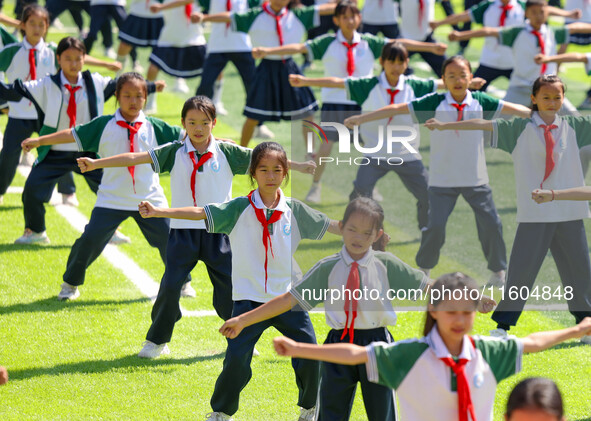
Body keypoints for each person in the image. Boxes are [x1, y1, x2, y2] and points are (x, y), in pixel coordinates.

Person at [76, 96, 316, 358]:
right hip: (182, 233)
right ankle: (156, 341)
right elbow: (136, 157)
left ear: (214, 123)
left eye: (204, 122)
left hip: (220, 234)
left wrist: (300, 166)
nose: (198, 128)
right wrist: (97, 163)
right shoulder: (174, 151)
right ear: (183, 123)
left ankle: (240, 337)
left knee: (230, 290)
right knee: (170, 286)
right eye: (192, 122)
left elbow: (267, 160)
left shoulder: (227, 152)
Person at [138, 141, 341, 421]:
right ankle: (222, 412)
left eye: (277, 170)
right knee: (235, 361)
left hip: (288, 300)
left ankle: (309, 407)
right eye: (263, 169)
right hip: (247, 301)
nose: (270, 176)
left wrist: (367, 230)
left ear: (285, 174)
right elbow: (200, 212)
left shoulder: (296, 210)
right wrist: (160, 212)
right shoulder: (238, 208)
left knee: (310, 356)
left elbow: (333, 226)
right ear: (253, 173)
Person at [217, 197, 433, 421]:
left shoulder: (387, 265)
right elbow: (287, 301)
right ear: (341, 227)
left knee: (383, 414)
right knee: (330, 413)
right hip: (336, 345)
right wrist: (243, 320)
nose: (358, 238)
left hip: (377, 345)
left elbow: (431, 287)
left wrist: (470, 299)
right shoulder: (327, 269)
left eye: (366, 233)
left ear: (377, 235)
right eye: (352, 229)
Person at [272, 273, 591, 421]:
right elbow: (355, 353)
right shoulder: (411, 356)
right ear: (434, 311)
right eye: (451, 311)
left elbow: (531, 343)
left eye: (467, 312)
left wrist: (577, 329)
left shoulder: (486, 353)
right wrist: (300, 349)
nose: (460, 320)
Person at [424, 74, 591, 341]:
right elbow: (484, 124)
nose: (552, 102)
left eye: (557, 97)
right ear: (533, 99)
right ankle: (502, 326)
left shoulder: (576, 126)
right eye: (545, 97)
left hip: (570, 214)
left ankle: (586, 325)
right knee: (521, 274)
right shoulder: (518, 129)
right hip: (534, 215)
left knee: (580, 272)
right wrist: (445, 126)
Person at [344, 55, 532, 285]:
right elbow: (396, 107)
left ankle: (498, 272)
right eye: (451, 76)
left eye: (462, 75)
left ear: (470, 78)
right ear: (443, 79)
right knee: (434, 227)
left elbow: (516, 110)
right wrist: (362, 118)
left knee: (492, 224)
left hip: (476, 179)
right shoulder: (434, 103)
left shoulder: (481, 101)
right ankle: (424, 270)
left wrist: (539, 113)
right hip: (442, 181)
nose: (457, 80)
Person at [252, 1, 447, 204]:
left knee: (372, 146)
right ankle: (315, 186)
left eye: (353, 16)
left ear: (359, 18)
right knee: (326, 146)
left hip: (364, 104)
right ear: (336, 20)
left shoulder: (368, 42)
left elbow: (400, 44)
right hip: (335, 102)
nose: (349, 21)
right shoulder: (327, 42)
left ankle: (371, 186)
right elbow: (300, 47)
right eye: (344, 17)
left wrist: (430, 47)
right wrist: (267, 52)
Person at [21, 72, 193, 301]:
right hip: (111, 198)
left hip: (150, 198)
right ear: (117, 96)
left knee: (171, 238)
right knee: (89, 241)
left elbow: (191, 136)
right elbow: (72, 134)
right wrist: (40, 141)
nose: (133, 101)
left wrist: (219, 143)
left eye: (139, 96)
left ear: (145, 98)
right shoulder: (103, 125)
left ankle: (183, 282)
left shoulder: (155, 127)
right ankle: (70, 284)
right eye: (127, 95)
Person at [0, 37, 161, 245]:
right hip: (55, 151)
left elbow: (124, 87)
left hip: (90, 153)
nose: (73, 64)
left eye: (78, 58)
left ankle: (111, 231)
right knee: (32, 189)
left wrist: (153, 86)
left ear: (85, 59)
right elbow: (14, 91)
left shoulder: (95, 82)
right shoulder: (47, 84)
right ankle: (36, 230)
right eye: (68, 59)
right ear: (58, 59)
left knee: (111, 187)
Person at [289, 42, 459, 227]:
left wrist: (467, 83)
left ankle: (426, 227)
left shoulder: (415, 86)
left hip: (407, 154)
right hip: (375, 154)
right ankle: (355, 229)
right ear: (382, 62)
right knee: (359, 194)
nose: (396, 66)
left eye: (400, 62)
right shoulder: (368, 85)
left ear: (406, 63)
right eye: (391, 61)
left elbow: (444, 84)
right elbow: (337, 82)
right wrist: (306, 81)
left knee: (427, 194)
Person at [191, 0, 336, 148]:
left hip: (289, 68)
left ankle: (310, 151)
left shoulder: (299, 14)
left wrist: (346, 6)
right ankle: (243, 152)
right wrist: (205, 18)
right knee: (253, 114)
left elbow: (324, 9)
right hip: (266, 68)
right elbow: (230, 16)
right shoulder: (256, 15)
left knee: (307, 112)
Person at [447, 0, 591, 113]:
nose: (538, 16)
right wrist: (461, 35)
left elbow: (576, 27)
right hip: (521, 86)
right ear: (526, 13)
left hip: (549, 87)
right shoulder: (516, 32)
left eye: (542, 12)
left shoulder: (552, 32)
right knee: (498, 121)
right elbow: (489, 31)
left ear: (547, 14)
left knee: (574, 119)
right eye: (534, 13)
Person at [430, 0, 580, 92]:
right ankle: (466, 122)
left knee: (535, 93)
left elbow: (544, 9)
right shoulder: (487, 6)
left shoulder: (522, 6)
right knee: (472, 91)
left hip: (514, 63)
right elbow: (464, 16)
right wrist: (440, 24)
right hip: (490, 60)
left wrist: (567, 14)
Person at [145, 0, 207, 111]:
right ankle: (150, 102)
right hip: (168, 38)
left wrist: (162, 7)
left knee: (216, 72)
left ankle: (215, 102)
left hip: (194, 39)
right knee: (152, 69)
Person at [115, 0, 164, 73]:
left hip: (158, 15)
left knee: (159, 53)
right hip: (137, 12)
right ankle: (118, 78)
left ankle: (178, 80)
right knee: (124, 46)